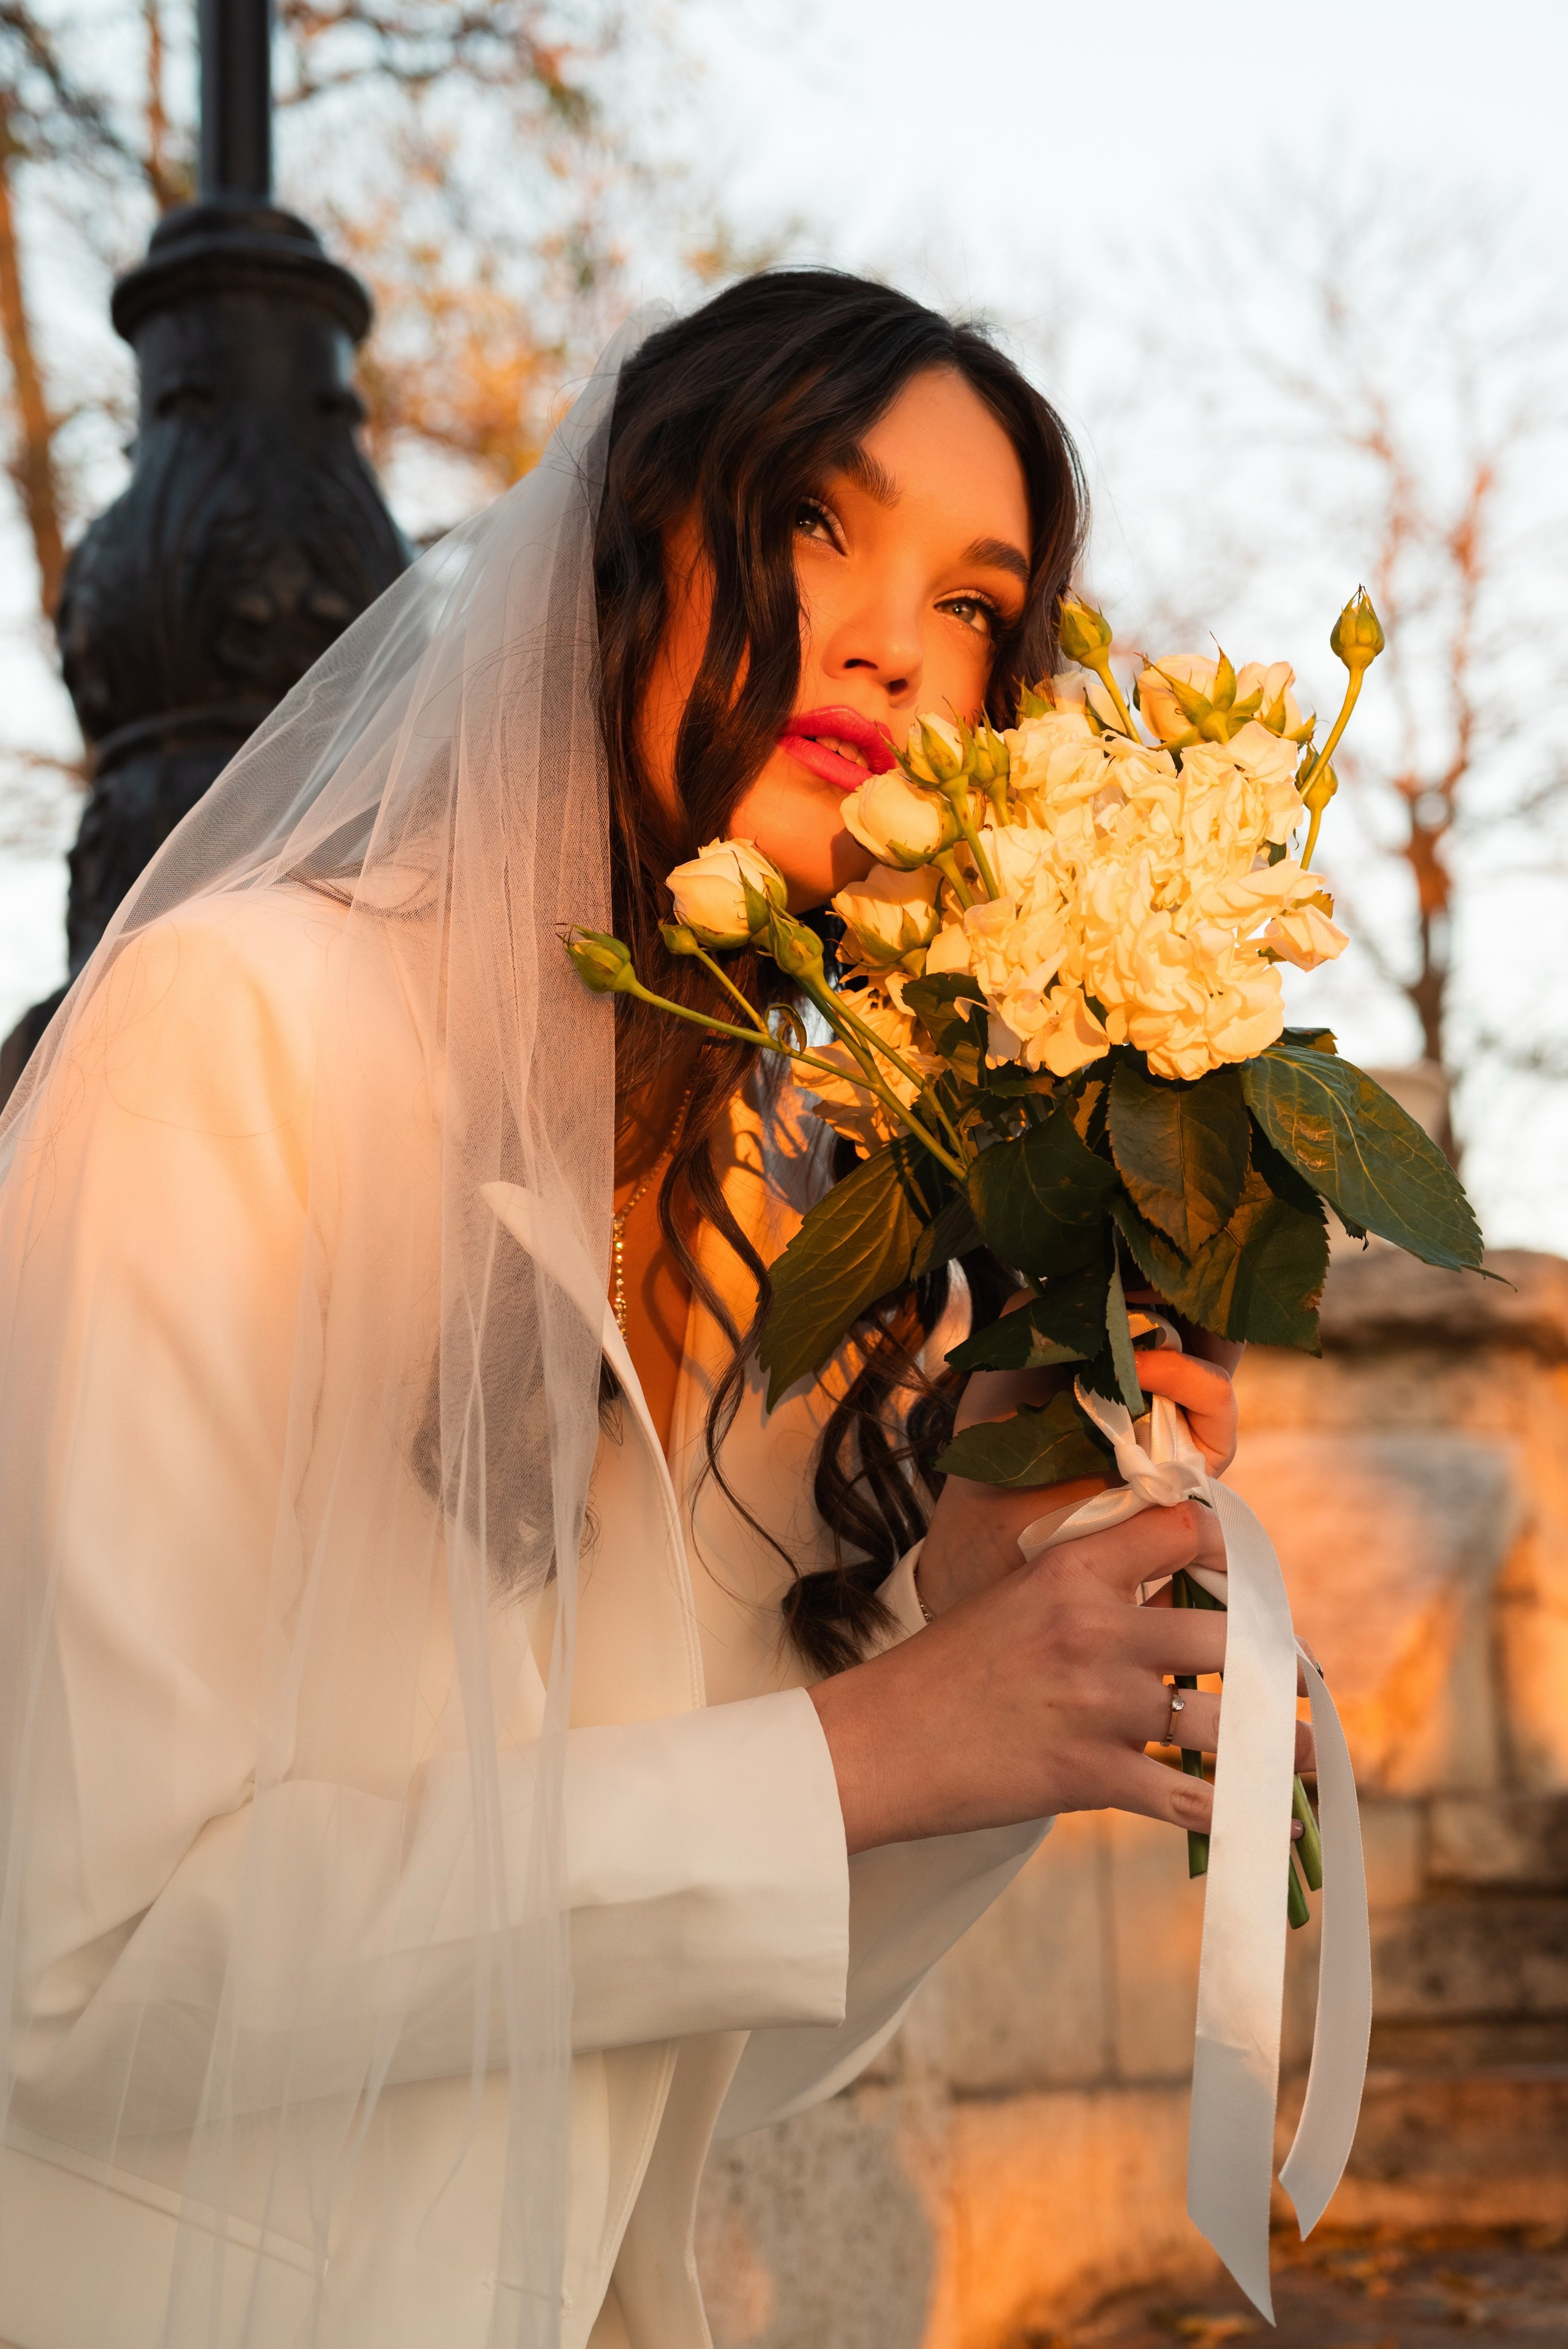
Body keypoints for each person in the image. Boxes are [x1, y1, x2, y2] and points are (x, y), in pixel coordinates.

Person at [0, 273, 1290, 2349]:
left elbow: (724, 2033)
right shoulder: (231, 1034)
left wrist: (992, 1594)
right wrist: (863, 1747)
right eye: (813, 522)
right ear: (626, 544)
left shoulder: (794, 1209)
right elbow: (80, 1962)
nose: (890, 638)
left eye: (976, 602)